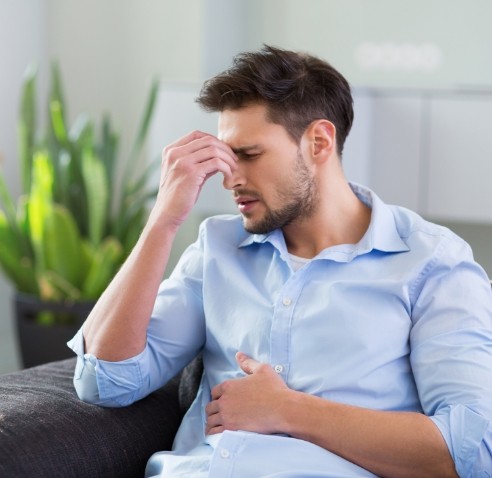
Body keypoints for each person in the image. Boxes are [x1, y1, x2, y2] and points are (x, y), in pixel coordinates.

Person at [68, 45, 492, 477]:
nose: (230, 179)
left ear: (319, 142)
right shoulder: (217, 247)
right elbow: (105, 381)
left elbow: (471, 455)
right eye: (226, 158)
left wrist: (289, 411)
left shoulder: (432, 264)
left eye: (249, 155)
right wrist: (163, 220)